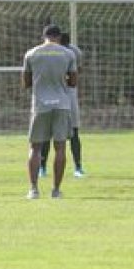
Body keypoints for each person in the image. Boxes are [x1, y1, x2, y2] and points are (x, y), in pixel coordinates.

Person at [23, 24, 77, 199]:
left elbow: (25, 83)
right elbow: (73, 82)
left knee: (35, 147)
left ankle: (33, 189)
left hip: (40, 105)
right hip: (61, 104)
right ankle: (56, 190)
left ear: (43, 37)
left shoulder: (31, 54)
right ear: (59, 37)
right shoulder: (68, 54)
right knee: (60, 147)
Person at [40, 32, 85, 178]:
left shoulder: (73, 52)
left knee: (73, 132)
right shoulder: (42, 53)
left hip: (68, 96)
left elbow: (76, 75)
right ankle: (42, 167)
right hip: (49, 96)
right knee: (46, 133)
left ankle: (78, 167)